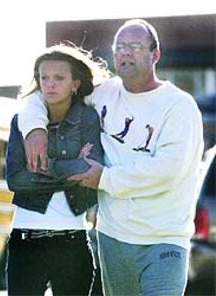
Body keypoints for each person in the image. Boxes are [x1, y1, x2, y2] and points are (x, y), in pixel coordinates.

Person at [18, 19, 204, 296]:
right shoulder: (102, 95)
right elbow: (44, 95)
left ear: (155, 55)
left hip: (164, 239)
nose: (126, 52)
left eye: (135, 46)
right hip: (113, 237)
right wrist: (34, 129)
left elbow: (169, 169)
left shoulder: (178, 105)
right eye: (120, 47)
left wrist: (105, 178)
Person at [5, 43, 110, 296]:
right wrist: (69, 170)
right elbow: (15, 180)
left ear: (75, 83)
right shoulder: (22, 121)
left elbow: (89, 168)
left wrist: (42, 169)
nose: (50, 84)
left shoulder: (88, 118)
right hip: (25, 241)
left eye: (59, 78)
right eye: (44, 78)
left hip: (71, 242)